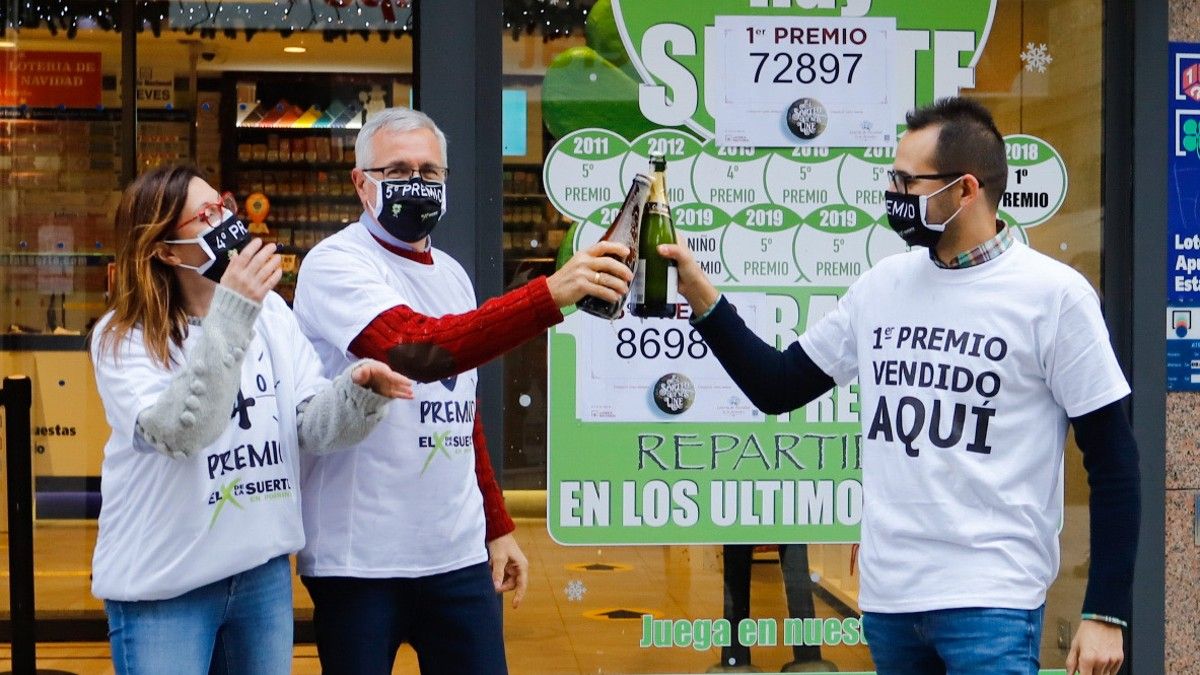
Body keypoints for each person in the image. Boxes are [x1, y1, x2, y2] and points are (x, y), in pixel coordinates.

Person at [659, 97, 1139, 675]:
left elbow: (1113, 462)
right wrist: (699, 293)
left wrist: (1106, 611)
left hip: (992, 601)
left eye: (907, 181)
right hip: (890, 604)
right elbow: (777, 385)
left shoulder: (1054, 297)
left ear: (964, 190)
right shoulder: (882, 287)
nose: (894, 194)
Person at [291, 107, 633, 674]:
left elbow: (459, 409)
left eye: (430, 172)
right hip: (361, 562)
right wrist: (550, 294)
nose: (416, 183)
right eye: (398, 168)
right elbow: (414, 351)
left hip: (456, 555)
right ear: (360, 182)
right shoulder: (335, 264)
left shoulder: (450, 272)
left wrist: (496, 527)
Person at [90, 163, 415, 675]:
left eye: (223, 205)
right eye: (205, 216)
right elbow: (179, 432)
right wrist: (236, 309)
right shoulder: (123, 337)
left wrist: (358, 395)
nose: (223, 220)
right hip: (165, 584)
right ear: (166, 251)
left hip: (259, 570)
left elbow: (308, 425)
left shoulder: (273, 315)